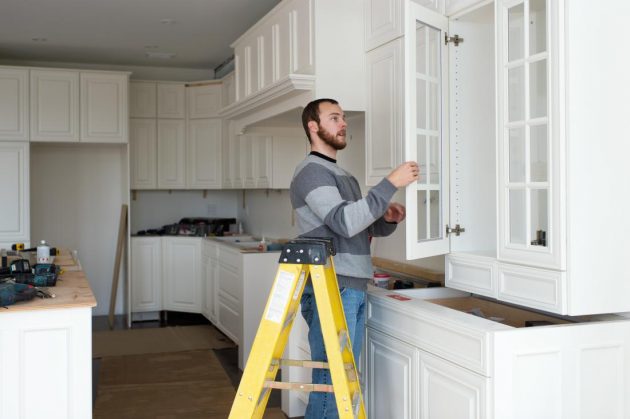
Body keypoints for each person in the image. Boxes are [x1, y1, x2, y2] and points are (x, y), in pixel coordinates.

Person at [289, 98, 419, 418]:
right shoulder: (310, 172)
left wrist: (385, 218)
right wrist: (390, 184)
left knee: (343, 377)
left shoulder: (344, 175)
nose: (343, 123)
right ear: (313, 126)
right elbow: (344, 222)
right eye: (334, 118)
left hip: (353, 282)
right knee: (331, 378)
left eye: (343, 118)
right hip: (331, 283)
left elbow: (358, 228)